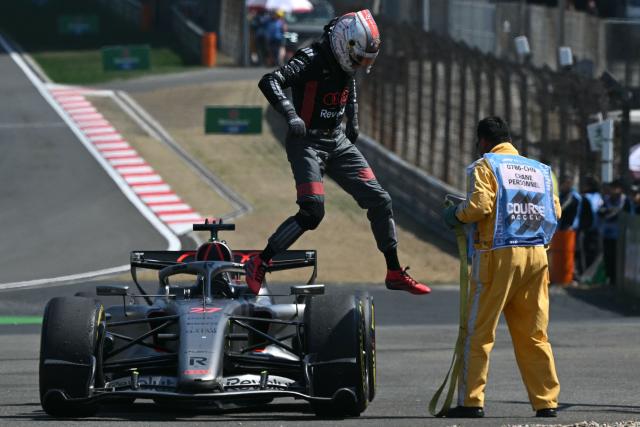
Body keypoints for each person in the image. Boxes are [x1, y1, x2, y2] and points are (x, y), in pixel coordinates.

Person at [245, 10, 431, 296]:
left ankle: (394, 271)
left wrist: (353, 118)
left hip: (338, 142)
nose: (358, 65)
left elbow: (349, 80)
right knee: (312, 211)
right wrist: (291, 115)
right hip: (306, 142)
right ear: (346, 43)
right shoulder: (310, 58)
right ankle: (261, 260)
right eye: (358, 58)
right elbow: (269, 81)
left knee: (381, 200)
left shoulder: (346, 61)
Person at [442, 117, 561, 418]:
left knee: (479, 332)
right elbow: (555, 211)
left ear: (483, 141)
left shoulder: (486, 166)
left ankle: (471, 401)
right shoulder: (541, 170)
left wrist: (456, 212)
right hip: (537, 255)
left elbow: (480, 206)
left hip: (498, 254)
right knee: (534, 334)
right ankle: (546, 402)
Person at [598, 179, 633, 286]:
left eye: (615, 188)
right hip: (607, 234)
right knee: (608, 257)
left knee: (618, 257)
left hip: (619, 235)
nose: (612, 190)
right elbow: (600, 212)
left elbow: (628, 216)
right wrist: (608, 211)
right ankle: (610, 278)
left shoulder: (625, 201)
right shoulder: (607, 199)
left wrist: (610, 211)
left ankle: (618, 280)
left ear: (620, 189)